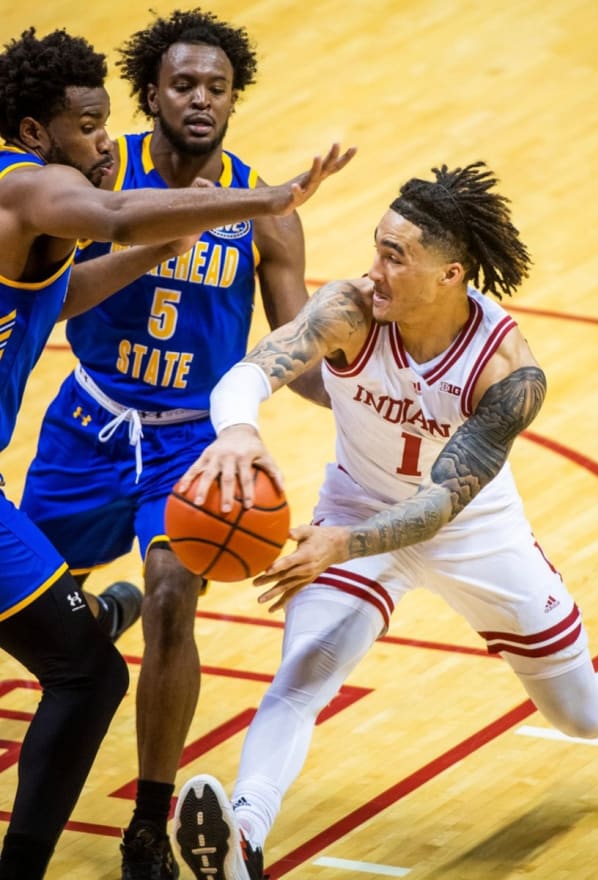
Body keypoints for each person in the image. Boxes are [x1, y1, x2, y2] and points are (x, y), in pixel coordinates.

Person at [172, 161, 598, 880]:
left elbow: (441, 504)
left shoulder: (507, 370)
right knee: (303, 674)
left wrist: (340, 544)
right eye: (376, 246)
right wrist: (237, 429)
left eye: (396, 256)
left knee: (574, 711)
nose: (373, 269)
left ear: (451, 275)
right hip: (356, 502)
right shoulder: (349, 309)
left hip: (474, 532)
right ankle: (244, 836)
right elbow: (253, 369)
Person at [0, 22, 353, 879]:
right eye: (182, 85)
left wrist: (360, 391)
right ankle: (95, 621)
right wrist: (257, 200)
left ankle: (149, 824)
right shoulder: (90, 177)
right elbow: (84, 258)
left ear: (235, 97)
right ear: (148, 96)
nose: (201, 99)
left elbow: (286, 354)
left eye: (218, 86)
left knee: (169, 597)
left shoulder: (255, 223)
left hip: (189, 441)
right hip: (89, 420)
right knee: (60, 626)